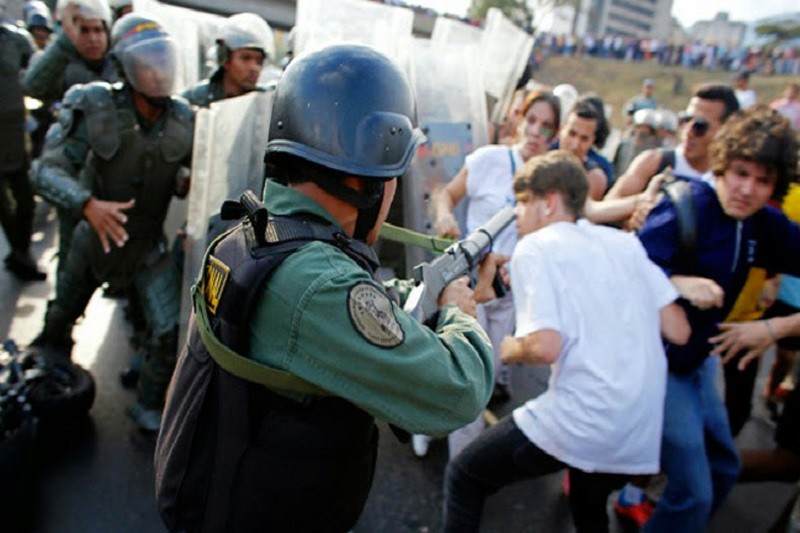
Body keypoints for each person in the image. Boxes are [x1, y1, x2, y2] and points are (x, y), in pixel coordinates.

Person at [155, 44, 495, 532]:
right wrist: (460, 312)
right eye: (393, 176)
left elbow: (352, 307)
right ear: (363, 178)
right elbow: (458, 392)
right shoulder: (316, 286)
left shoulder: (248, 236)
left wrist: (424, 291)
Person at [442, 150, 689, 533]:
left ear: (550, 202)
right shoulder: (622, 244)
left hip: (584, 418)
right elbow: (678, 329)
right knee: (588, 502)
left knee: (465, 475)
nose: (518, 217)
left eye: (523, 203)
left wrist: (503, 348)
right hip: (638, 430)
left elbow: (543, 347)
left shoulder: (535, 247)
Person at [636, 105, 800, 532]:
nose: (747, 189)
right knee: (694, 491)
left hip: (699, 362)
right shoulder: (684, 207)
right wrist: (674, 282)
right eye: (741, 172)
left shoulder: (763, 224)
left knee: (723, 470)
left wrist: (774, 328)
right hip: (658, 366)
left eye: (762, 181)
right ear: (724, 164)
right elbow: (622, 275)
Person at [30, 13, 193, 431]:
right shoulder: (94, 102)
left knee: (168, 332)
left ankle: (150, 408)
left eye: (163, 59)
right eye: (148, 61)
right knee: (59, 320)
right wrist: (86, 204)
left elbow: (197, 174)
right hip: (92, 239)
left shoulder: (185, 118)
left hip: (144, 246)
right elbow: (45, 171)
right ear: (125, 65)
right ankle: (40, 394)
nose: (158, 71)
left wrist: (187, 181)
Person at [433, 90, 560, 414]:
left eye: (546, 126)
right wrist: (445, 215)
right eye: (531, 120)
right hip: (470, 284)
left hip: (509, 293)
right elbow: (445, 193)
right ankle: (429, 430)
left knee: (482, 376)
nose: (535, 131)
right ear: (519, 118)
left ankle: (449, 433)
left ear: (554, 134)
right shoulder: (490, 159)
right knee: (457, 364)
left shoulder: (552, 184)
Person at [0, 11, 46, 280]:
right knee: (4, 206)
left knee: (26, 201)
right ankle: (21, 256)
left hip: (16, 136)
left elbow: (39, 74)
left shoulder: (16, 39)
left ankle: (20, 252)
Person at [22, 0, 117, 103]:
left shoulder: (119, 62)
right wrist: (64, 43)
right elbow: (33, 88)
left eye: (98, 30)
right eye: (83, 31)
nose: (93, 39)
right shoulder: (60, 64)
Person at [182, 12, 275, 108]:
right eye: (245, 58)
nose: (254, 67)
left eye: (259, 61)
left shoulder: (265, 102)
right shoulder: (193, 100)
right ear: (225, 59)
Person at [555, 98, 608, 199]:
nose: (575, 145)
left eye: (584, 139)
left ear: (592, 141)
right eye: (572, 134)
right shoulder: (538, 159)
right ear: (561, 130)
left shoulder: (593, 178)